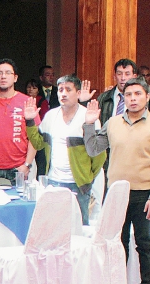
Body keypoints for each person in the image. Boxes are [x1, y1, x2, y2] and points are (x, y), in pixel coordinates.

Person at [83, 77, 150, 284]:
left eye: (138, 94)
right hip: (116, 193)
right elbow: (93, 149)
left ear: (147, 97)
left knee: (144, 242)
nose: (133, 99)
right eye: (128, 95)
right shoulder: (112, 123)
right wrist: (89, 124)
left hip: (144, 193)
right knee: (116, 242)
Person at [29, 75, 106, 224]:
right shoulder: (51, 116)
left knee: (78, 227)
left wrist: (87, 177)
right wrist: (30, 121)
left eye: (68, 90)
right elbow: (38, 144)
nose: (63, 94)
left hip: (78, 184)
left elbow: (99, 155)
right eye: (60, 90)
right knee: (53, 225)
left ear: (78, 93)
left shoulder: (88, 116)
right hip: (53, 181)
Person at [98, 59, 150, 126]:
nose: (123, 78)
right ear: (114, 76)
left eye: (127, 74)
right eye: (119, 74)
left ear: (134, 76)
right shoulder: (104, 97)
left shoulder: (146, 98)